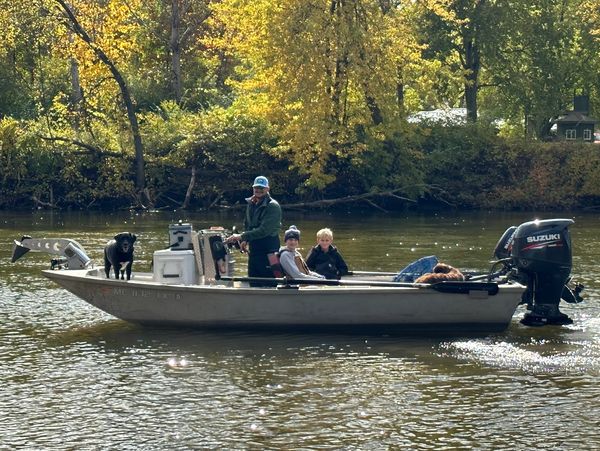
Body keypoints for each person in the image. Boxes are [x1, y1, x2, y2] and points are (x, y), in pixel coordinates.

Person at [225, 176, 282, 283]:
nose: (258, 190)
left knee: (268, 282)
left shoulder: (273, 206)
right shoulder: (251, 203)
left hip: (269, 249)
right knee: (253, 280)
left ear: (267, 189)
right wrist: (245, 240)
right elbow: (247, 224)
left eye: (262, 188)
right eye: (256, 187)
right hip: (254, 249)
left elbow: (264, 230)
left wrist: (241, 236)